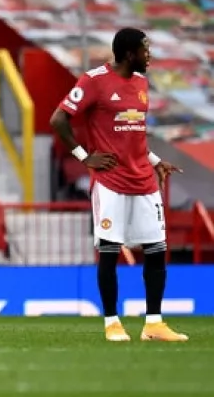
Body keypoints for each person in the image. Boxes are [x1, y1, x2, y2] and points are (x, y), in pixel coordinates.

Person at [50, 27, 186, 342]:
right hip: (110, 181)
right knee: (109, 252)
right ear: (129, 54)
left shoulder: (140, 83)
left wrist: (155, 162)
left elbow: (133, 137)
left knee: (156, 250)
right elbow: (58, 119)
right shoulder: (93, 81)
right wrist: (85, 157)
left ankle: (154, 324)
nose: (149, 55)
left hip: (143, 180)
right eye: (145, 49)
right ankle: (112, 324)